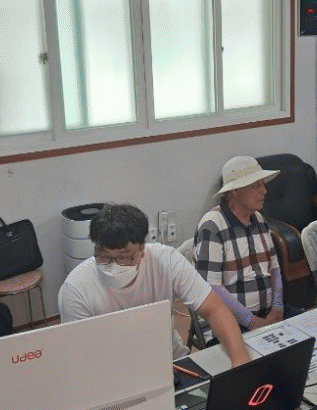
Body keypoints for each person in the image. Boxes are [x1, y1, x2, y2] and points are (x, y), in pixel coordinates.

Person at [58, 203, 250, 367]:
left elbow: (214, 309)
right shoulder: (76, 289)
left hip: (170, 363)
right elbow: (81, 356)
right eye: (104, 257)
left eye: (124, 257)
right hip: (111, 370)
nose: (113, 266)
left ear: (142, 248)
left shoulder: (166, 261)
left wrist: (240, 359)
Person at [194, 156, 285, 336]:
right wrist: (250, 321)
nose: (264, 191)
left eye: (263, 184)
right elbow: (210, 287)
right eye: (256, 185)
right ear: (235, 190)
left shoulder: (259, 219)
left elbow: (274, 269)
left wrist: (277, 307)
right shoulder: (212, 226)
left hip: (266, 317)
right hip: (228, 324)